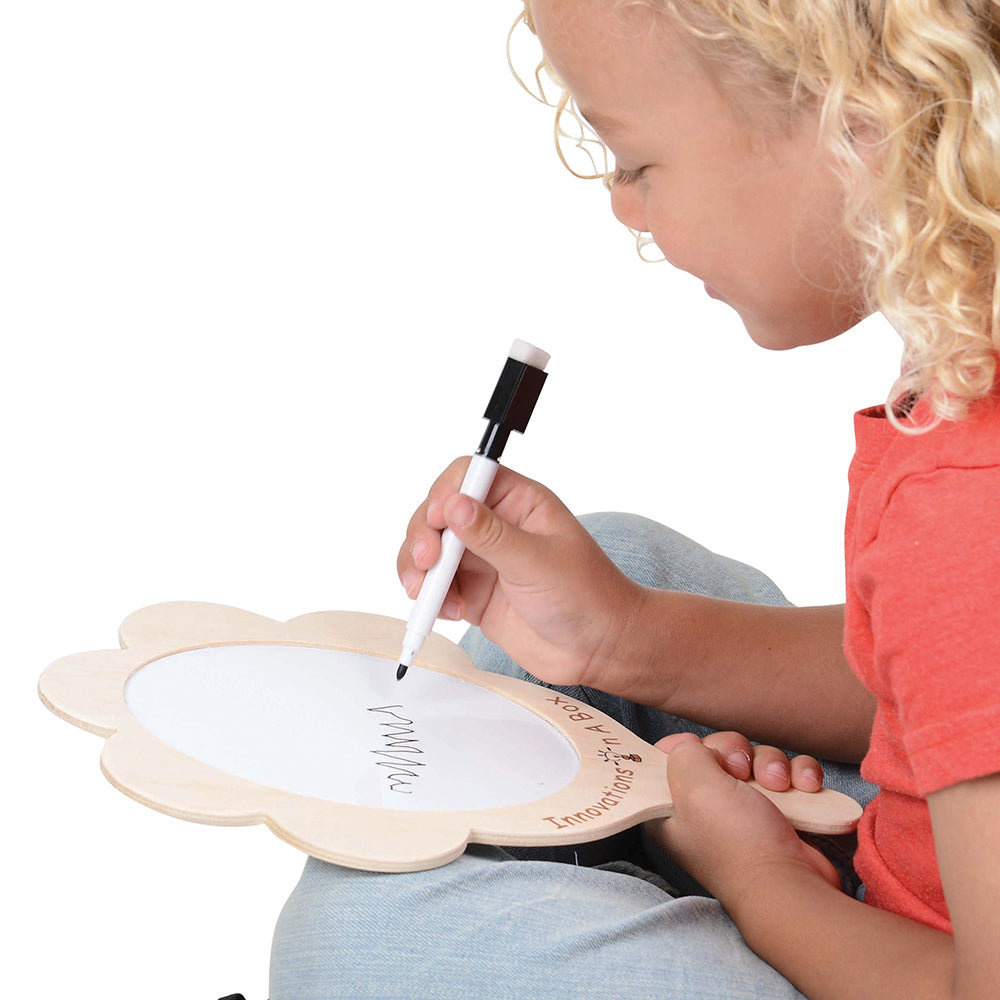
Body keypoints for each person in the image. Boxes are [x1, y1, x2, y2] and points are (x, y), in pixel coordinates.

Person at [270, 0, 1000, 996]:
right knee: (623, 564)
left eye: (633, 159)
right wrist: (623, 636)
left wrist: (763, 884)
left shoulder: (965, 500)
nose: (621, 202)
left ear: (854, 119)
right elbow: (941, 662)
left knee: (362, 936)